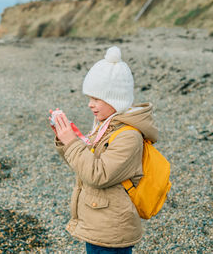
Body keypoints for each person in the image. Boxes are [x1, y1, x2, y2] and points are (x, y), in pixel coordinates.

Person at [49, 46, 158, 254]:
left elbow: (98, 175)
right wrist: (66, 139)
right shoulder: (105, 126)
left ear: (115, 99)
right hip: (99, 224)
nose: (90, 105)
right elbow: (83, 165)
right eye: (90, 98)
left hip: (112, 231)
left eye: (97, 99)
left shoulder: (129, 136)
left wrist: (72, 142)